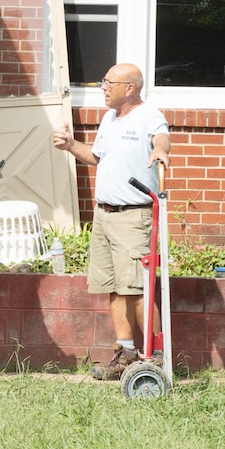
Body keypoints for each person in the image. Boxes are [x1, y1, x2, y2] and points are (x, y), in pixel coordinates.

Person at [52, 63, 171, 381]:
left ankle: (154, 356)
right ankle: (126, 353)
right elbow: (97, 158)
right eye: (102, 81)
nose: (103, 87)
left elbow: (161, 138)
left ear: (130, 88)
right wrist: (70, 146)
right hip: (104, 216)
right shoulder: (109, 118)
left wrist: (160, 152)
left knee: (137, 288)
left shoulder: (149, 115)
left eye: (109, 82)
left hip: (133, 217)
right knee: (115, 289)